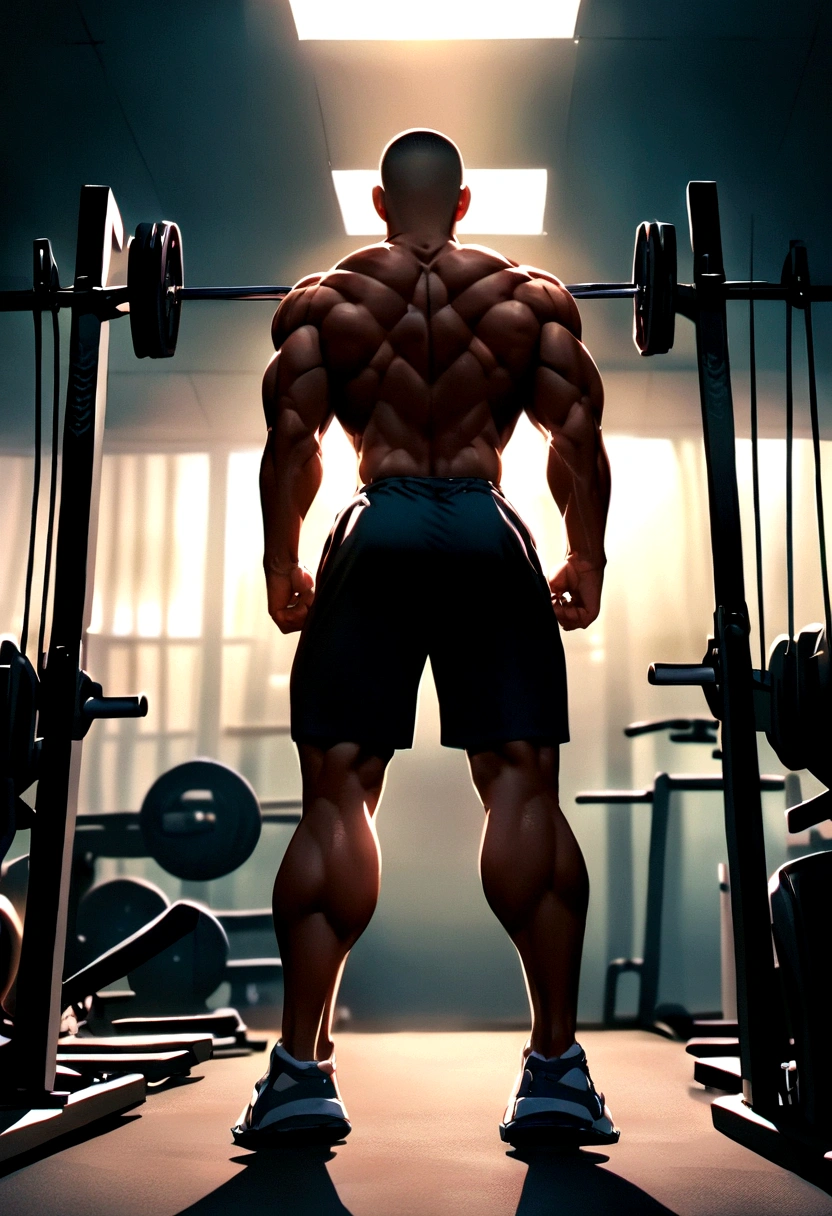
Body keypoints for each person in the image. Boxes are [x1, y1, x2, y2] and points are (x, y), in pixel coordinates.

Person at [233, 128, 616, 1149]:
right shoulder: (527, 297)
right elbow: (574, 433)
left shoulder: (327, 299)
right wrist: (586, 556)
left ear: (374, 203)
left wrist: (281, 564)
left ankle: (302, 1074)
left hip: (380, 522)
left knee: (339, 790)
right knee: (521, 781)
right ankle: (555, 1072)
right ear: (463, 203)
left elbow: (290, 440)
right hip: (489, 528)